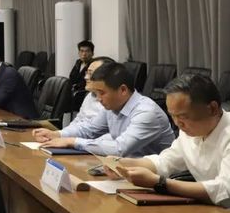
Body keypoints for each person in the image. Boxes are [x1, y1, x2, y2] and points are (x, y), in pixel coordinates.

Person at [106, 74, 230, 206]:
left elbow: (224, 189)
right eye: (173, 116)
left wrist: (160, 183)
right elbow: (166, 162)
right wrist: (124, 164)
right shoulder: (189, 131)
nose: (177, 123)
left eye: (183, 116)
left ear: (212, 108)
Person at [33, 62, 174, 157]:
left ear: (123, 90)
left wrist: (73, 141)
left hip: (154, 179)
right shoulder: (112, 107)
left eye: (102, 93)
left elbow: (119, 148)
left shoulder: (146, 112)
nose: (98, 99)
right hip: (123, 168)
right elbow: (89, 129)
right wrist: (56, 134)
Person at [65, 56, 114, 130]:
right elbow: (77, 120)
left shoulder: (112, 103)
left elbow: (93, 131)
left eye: (90, 74)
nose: (86, 77)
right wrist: (61, 133)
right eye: (87, 73)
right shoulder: (90, 95)